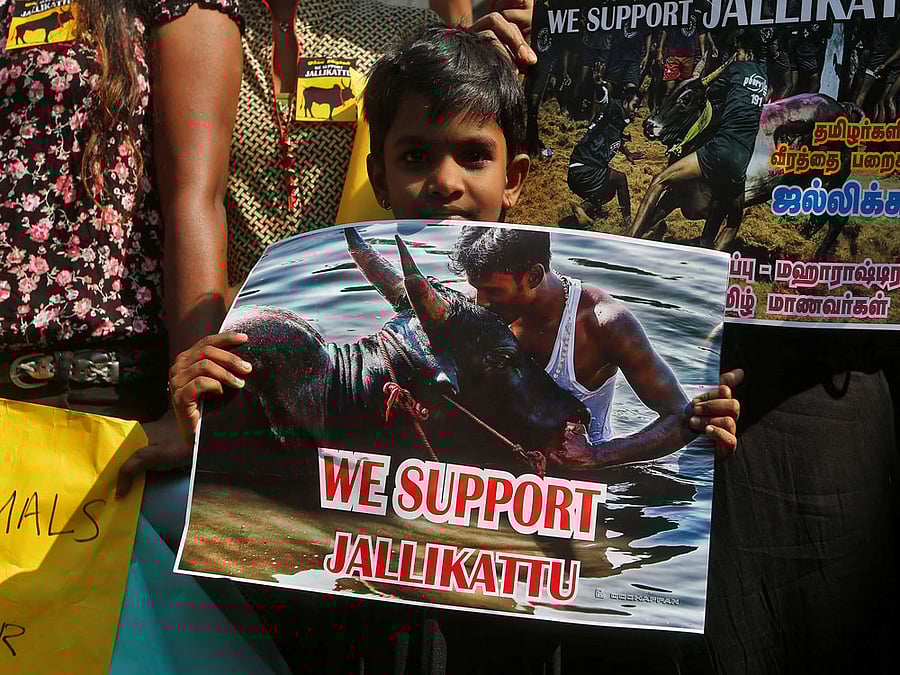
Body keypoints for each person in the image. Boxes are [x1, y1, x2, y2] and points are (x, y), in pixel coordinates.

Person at [631, 29, 767, 241]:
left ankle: (628, 238)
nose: (736, 55)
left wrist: (700, 82)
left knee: (659, 180)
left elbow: (708, 91)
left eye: (738, 51)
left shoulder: (736, 69)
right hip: (742, 159)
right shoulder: (764, 76)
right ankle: (709, 253)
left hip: (720, 149)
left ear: (747, 52)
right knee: (732, 222)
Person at [565, 84, 644, 231]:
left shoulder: (618, 121)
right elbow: (604, 99)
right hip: (585, 170)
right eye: (635, 106)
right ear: (625, 102)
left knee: (609, 192)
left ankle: (582, 209)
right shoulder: (614, 109)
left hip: (576, 172)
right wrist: (598, 84)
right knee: (620, 179)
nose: (637, 111)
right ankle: (628, 225)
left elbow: (614, 137)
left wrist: (628, 154)